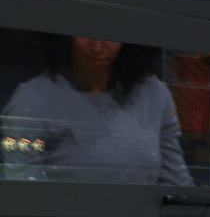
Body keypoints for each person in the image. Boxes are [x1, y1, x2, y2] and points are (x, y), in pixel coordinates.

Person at [1, 34, 193, 186]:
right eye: (84, 34)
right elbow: (22, 191)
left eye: (110, 35)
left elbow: (177, 184)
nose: (96, 47)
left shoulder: (154, 93)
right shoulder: (33, 98)